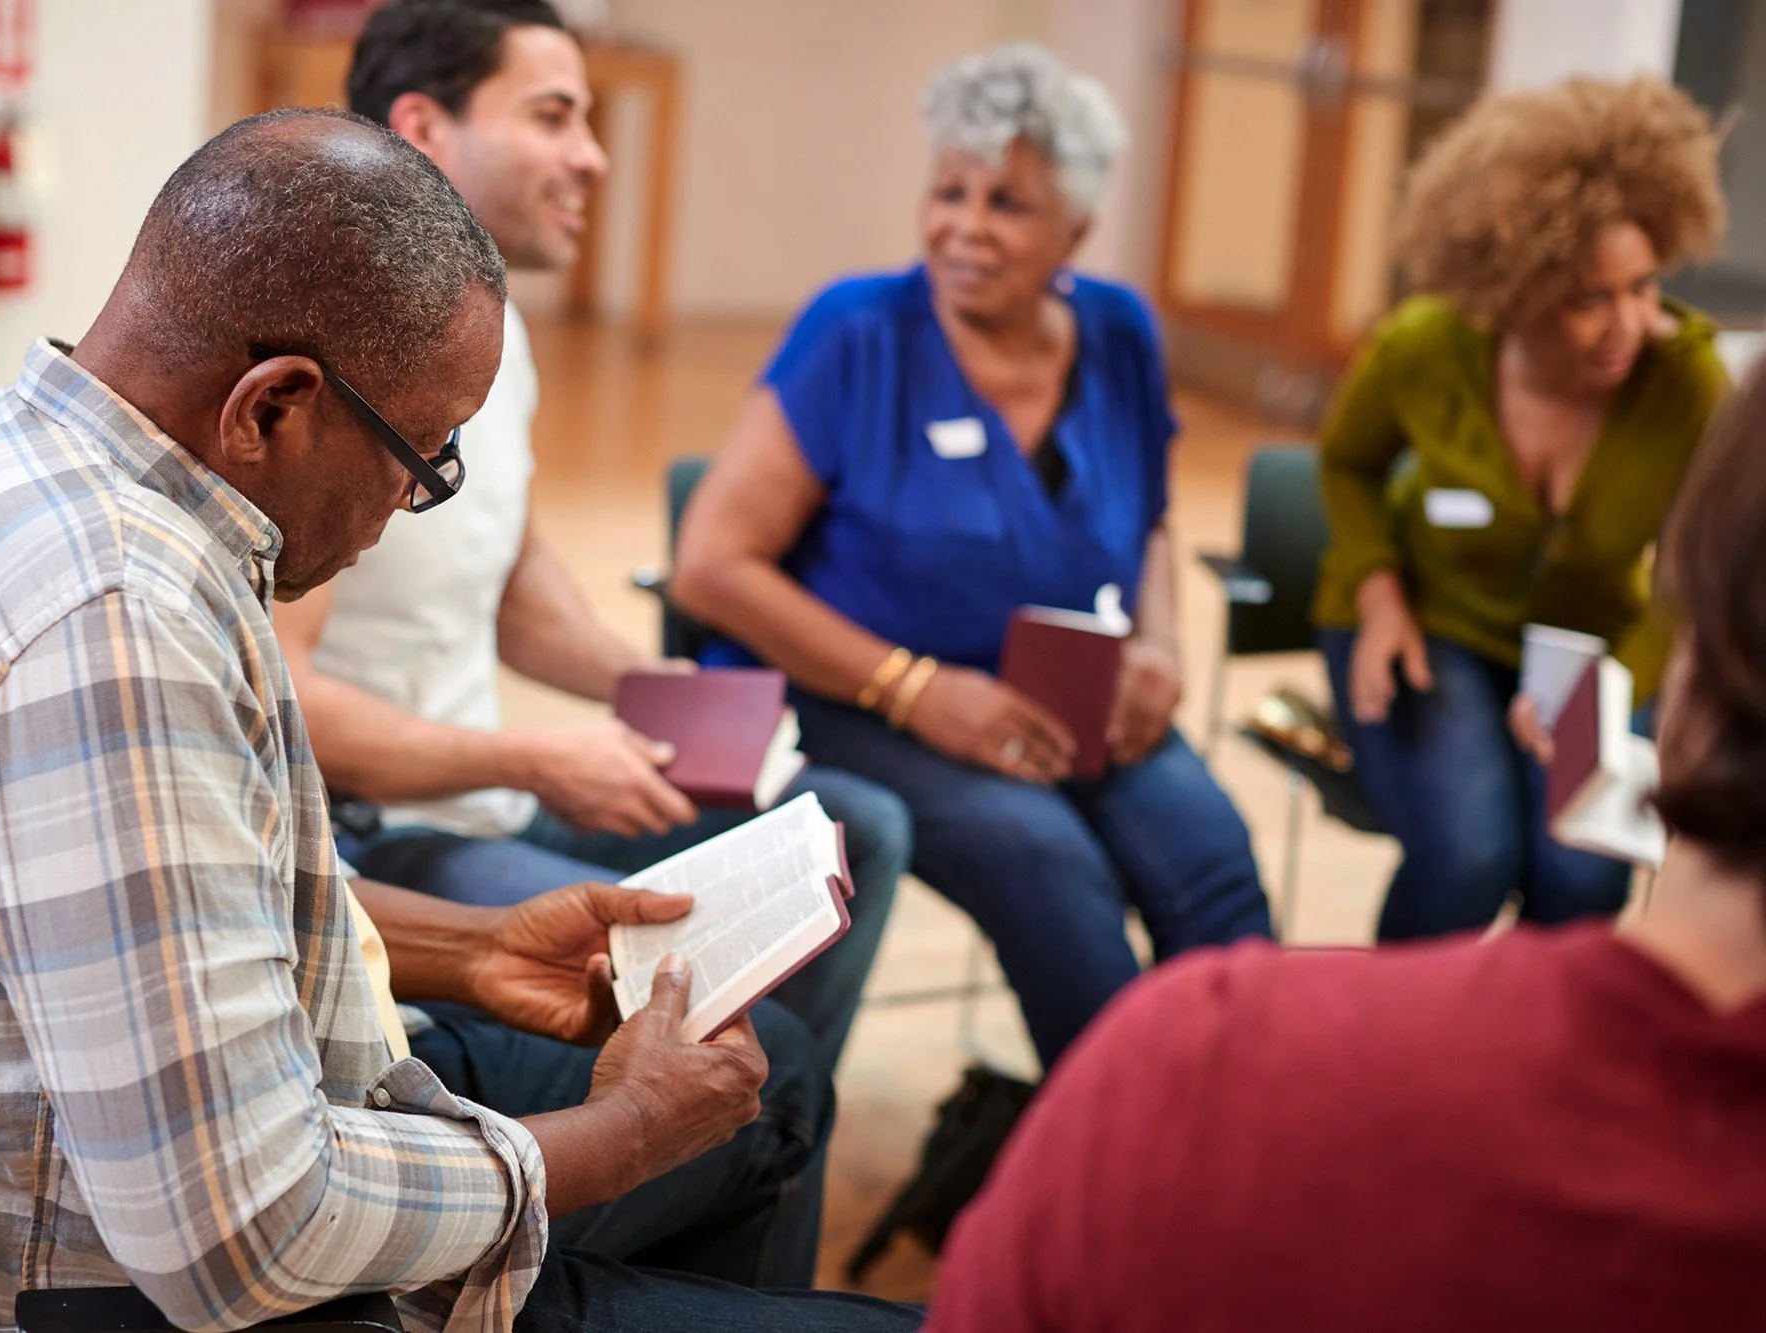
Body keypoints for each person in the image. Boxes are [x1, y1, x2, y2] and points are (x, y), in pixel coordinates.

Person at [0, 110, 915, 1333]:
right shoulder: (116, 631)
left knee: (769, 1079)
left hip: (129, 1180)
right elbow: (243, 1239)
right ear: (270, 408)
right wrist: (624, 1135)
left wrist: (473, 949)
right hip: (146, 1289)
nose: (414, 504)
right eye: (421, 458)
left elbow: (133, 910)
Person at [924, 356, 1766, 1333]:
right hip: (1415, 662)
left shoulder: (1207, 1061)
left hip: (1192, 1114)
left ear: (1694, 644)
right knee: (1455, 845)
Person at [275, 0, 910, 1078]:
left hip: (491, 793)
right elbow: (277, 696)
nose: (593, 155)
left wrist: (649, 687)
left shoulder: (490, 322)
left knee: (850, 827)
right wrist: (532, 757)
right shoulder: (338, 356)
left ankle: (703, 1167)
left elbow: (512, 579)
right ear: (425, 128)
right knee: (760, 1065)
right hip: (380, 838)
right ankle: (665, 1158)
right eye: (555, 116)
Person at [669, 43, 1272, 1070]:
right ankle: (1110, 1173)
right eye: (948, 191)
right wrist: (914, 688)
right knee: (1044, 863)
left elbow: (1153, 523)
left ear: (1074, 231)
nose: (963, 227)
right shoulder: (856, 333)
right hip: (854, 704)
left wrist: (1161, 646)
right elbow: (711, 568)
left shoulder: (1118, 332)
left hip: (1068, 699)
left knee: (1210, 861)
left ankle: (1241, 1134)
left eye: (1007, 203)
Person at [1313, 77, 1729, 941]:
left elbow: (1694, 575)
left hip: (1594, 654)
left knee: (1581, 869)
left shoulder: (1684, 382)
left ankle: (1528, 1065)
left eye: (1645, 286)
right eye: (1589, 298)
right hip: (1435, 630)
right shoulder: (1425, 348)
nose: (1628, 323)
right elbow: (1348, 463)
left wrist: (1612, 688)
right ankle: (1389, 1058)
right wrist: (1378, 596)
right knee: (1470, 856)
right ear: (1515, 283)